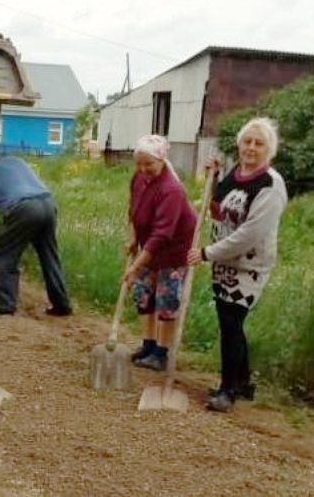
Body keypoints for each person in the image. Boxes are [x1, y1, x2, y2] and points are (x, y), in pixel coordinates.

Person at [187, 117, 287, 413]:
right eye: (247, 141)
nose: (252, 148)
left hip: (248, 266)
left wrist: (207, 253)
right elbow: (218, 207)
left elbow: (249, 234)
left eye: (259, 143)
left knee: (231, 324)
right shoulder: (237, 173)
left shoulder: (270, 184)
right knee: (229, 323)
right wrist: (214, 180)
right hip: (223, 262)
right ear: (239, 144)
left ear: (270, 149)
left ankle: (228, 389)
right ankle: (242, 382)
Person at [0, 146, 73, 317]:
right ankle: (62, 305)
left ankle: (5, 305)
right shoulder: (15, 161)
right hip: (48, 204)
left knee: (1, 255)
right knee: (49, 255)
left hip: (23, 209)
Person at [123, 134, 196, 372]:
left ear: (162, 161)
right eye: (139, 164)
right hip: (150, 246)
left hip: (173, 250)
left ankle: (162, 353)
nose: (143, 169)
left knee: (167, 298)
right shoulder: (138, 178)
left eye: (149, 164)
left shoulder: (171, 189)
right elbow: (133, 209)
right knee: (143, 293)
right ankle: (148, 344)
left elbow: (162, 235)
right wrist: (133, 237)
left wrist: (135, 266)